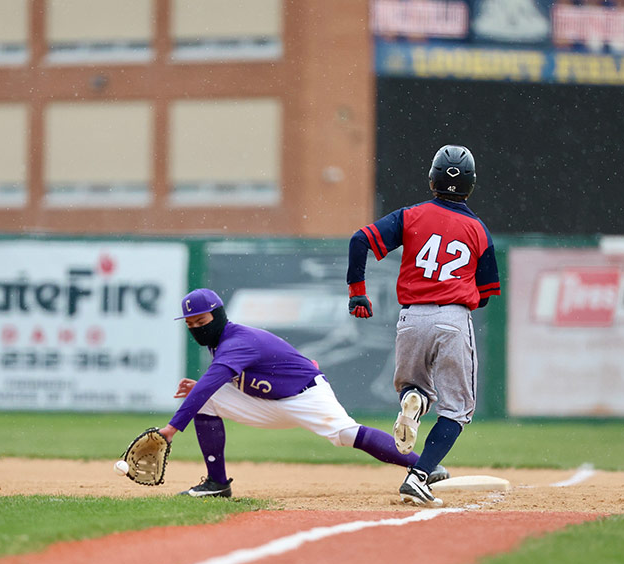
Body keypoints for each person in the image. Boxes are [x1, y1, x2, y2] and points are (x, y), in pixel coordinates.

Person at [158, 288, 448, 498]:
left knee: (346, 434)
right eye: (191, 324)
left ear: (218, 316)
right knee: (205, 400)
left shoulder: (237, 341)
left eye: (202, 321)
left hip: (306, 395)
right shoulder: (220, 342)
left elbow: (213, 379)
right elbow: (231, 380)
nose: (197, 328)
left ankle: (424, 466)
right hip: (270, 401)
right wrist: (204, 390)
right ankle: (217, 483)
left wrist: (171, 429)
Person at [346, 144, 501, 507]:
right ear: (471, 184)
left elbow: (360, 240)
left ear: (432, 180)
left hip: (411, 316)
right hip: (452, 317)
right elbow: (488, 292)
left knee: (414, 386)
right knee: (457, 410)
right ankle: (419, 476)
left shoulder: (412, 215)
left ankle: (413, 400)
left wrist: (358, 293)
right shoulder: (478, 229)